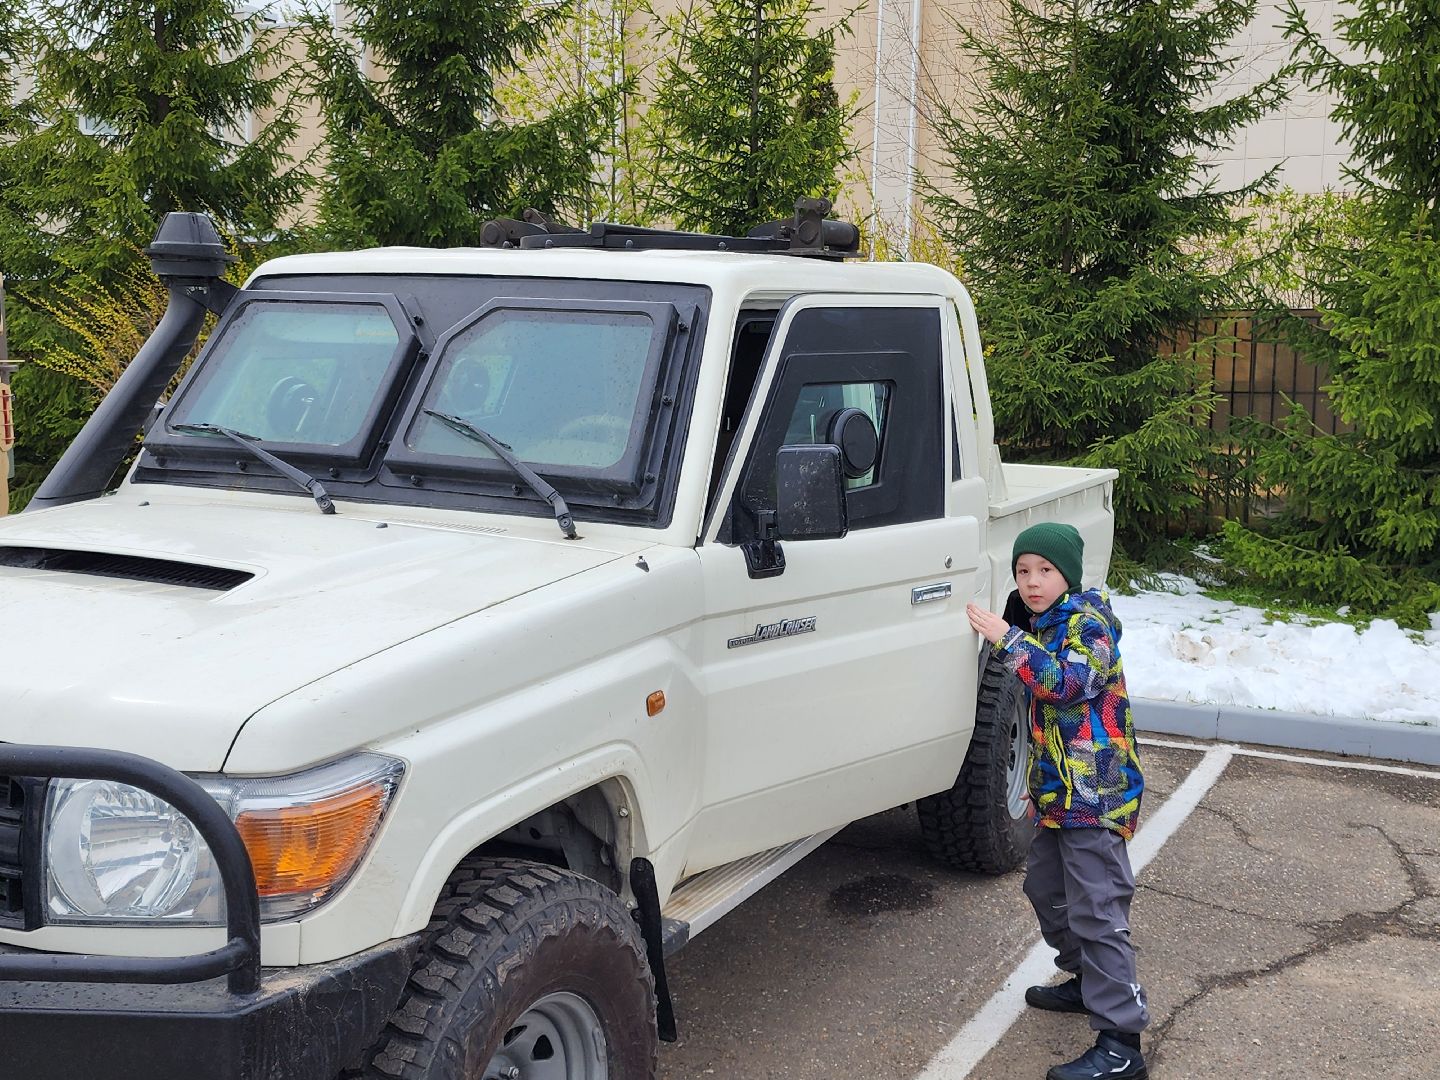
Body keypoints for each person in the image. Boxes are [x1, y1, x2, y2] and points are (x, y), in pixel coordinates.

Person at [966, 522, 1149, 1080]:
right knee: (1045, 887)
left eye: (1045, 570)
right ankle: (1087, 982)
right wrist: (1040, 780)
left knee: (1097, 910)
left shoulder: (1088, 626)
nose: (1031, 581)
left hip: (1098, 796)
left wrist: (1006, 636)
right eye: (1023, 571)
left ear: (1067, 574)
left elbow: (1063, 685)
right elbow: (1054, 723)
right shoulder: (1042, 622)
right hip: (1062, 795)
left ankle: (1121, 1043)